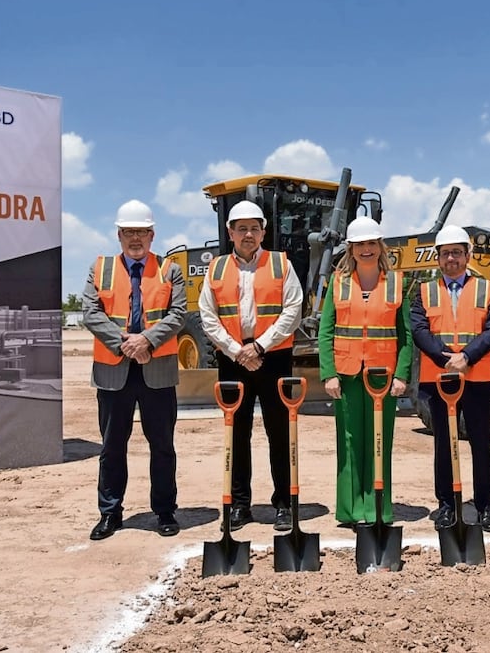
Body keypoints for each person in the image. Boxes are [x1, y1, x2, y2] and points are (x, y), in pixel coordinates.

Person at [81, 200, 187, 541]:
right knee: (112, 446)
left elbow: (178, 313)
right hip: (114, 371)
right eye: (129, 232)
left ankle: (165, 511)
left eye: (141, 231)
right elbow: (91, 313)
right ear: (119, 234)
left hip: (157, 370)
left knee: (163, 446)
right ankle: (110, 513)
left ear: (152, 234)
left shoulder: (170, 269)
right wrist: (125, 343)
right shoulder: (101, 268)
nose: (135, 238)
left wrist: (146, 342)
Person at [199, 200, 303, 532]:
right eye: (241, 228)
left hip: (273, 358)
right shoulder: (215, 269)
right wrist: (236, 350)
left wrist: (258, 346)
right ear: (230, 232)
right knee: (236, 433)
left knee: (280, 432)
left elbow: (293, 310)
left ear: (264, 231)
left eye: (254, 228)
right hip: (232, 360)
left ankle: (284, 503)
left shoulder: (281, 265)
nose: (248, 234)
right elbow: (208, 317)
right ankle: (239, 505)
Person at [318, 216, 412, 526]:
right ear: (351, 249)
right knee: (349, 440)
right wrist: (328, 373)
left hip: (382, 378)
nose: (366, 249)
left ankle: (378, 508)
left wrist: (401, 375)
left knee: (379, 440)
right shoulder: (338, 282)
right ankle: (350, 509)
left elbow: (406, 335)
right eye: (360, 244)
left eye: (372, 243)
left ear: (380, 246)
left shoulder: (397, 283)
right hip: (346, 375)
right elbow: (326, 330)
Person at [411, 225, 490, 533]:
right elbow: (419, 330)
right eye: (446, 253)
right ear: (438, 258)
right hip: (441, 379)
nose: (452, 258)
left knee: (480, 442)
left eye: (457, 252)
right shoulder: (424, 291)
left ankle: (485, 506)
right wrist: (445, 359)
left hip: (477, 378)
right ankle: (447, 505)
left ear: (467, 255)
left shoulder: (485, 289)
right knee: (444, 444)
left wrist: (467, 357)